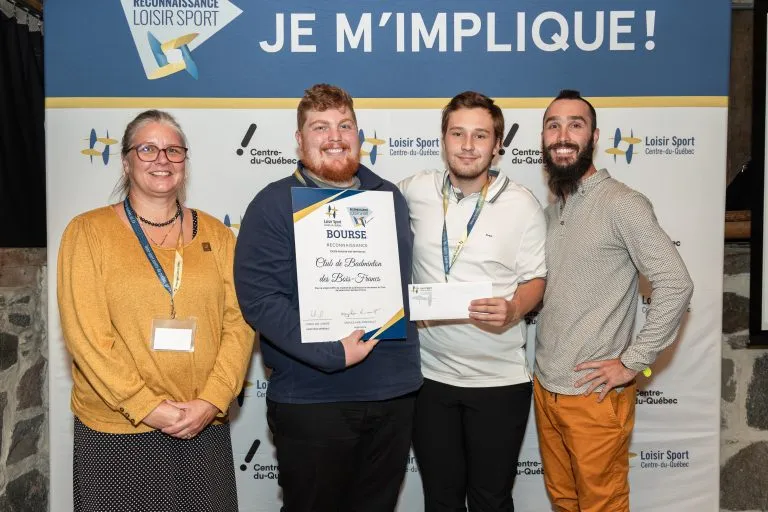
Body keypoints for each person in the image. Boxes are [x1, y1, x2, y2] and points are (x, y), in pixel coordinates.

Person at [233, 83, 422, 512]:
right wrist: (331, 353)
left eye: (345, 125)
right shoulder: (272, 204)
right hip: (313, 397)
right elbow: (260, 299)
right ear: (299, 140)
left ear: (358, 134)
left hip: (391, 394)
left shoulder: (388, 197)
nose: (335, 137)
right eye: (320, 127)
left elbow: (401, 284)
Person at [57, 109, 254, 512]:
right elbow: (87, 337)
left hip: (201, 425)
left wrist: (213, 400)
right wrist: (147, 407)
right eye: (147, 149)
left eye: (173, 150)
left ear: (185, 161)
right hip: (117, 430)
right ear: (126, 161)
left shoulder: (217, 235)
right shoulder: (88, 232)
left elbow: (240, 323)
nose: (162, 159)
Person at [534, 90, 694, 512]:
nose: (562, 135)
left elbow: (676, 283)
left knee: (602, 506)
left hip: (595, 397)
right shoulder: (551, 213)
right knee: (564, 500)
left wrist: (633, 361)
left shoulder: (622, 204)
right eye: (553, 126)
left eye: (575, 125)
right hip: (546, 387)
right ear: (543, 139)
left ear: (594, 137)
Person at [398, 91, 547, 512]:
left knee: (490, 500)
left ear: (497, 145)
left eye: (480, 135)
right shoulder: (414, 190)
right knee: (441, 500)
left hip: (498, 382)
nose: (467, 145)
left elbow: (536, 279)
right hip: (429, 379)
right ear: (443, 139)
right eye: (457, 133)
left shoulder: (523, 204)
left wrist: (515, 308)